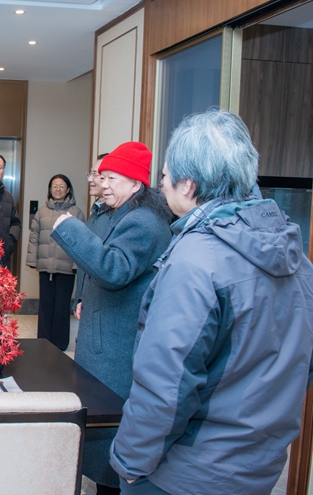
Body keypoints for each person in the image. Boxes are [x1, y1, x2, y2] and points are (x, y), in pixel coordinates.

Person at [110, 111, 313, 495]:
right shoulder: (298, 259)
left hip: (185, 473)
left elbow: (166, 383)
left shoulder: (196, 260)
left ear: (187, 185)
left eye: (165, 175)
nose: (160, 184)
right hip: (258, 466)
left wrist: (131, 462)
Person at [51, 142, 172, 494]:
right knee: (98, 420)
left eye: (112, 178)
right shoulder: (117, 212)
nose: (103, 184)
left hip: (119, 346)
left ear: (135, 183)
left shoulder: (144, 222)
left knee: (111, 429)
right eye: (102, 177)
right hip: (103, 337)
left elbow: (113, 269)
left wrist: (70, 228)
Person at [26, 174, 85, 350]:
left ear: (68, 190)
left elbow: (82, 241)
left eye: (62, 186)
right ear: (50, 189)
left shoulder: (76, 212)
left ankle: (59, 343)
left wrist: (76, 265)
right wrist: (33, 260)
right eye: (54, 186)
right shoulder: (41, 212)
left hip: (66, 268)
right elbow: (34, 237)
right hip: (45, 267)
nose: (58, 189)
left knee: (61, 306)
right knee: (45, 304)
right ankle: (43, 340)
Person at [73, 153, 111, 319]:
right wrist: (79, 297)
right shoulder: (96, 212)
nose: (90, 179)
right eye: (90, 173)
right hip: (88, 301)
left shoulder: (115, 217)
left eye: (95, 174)